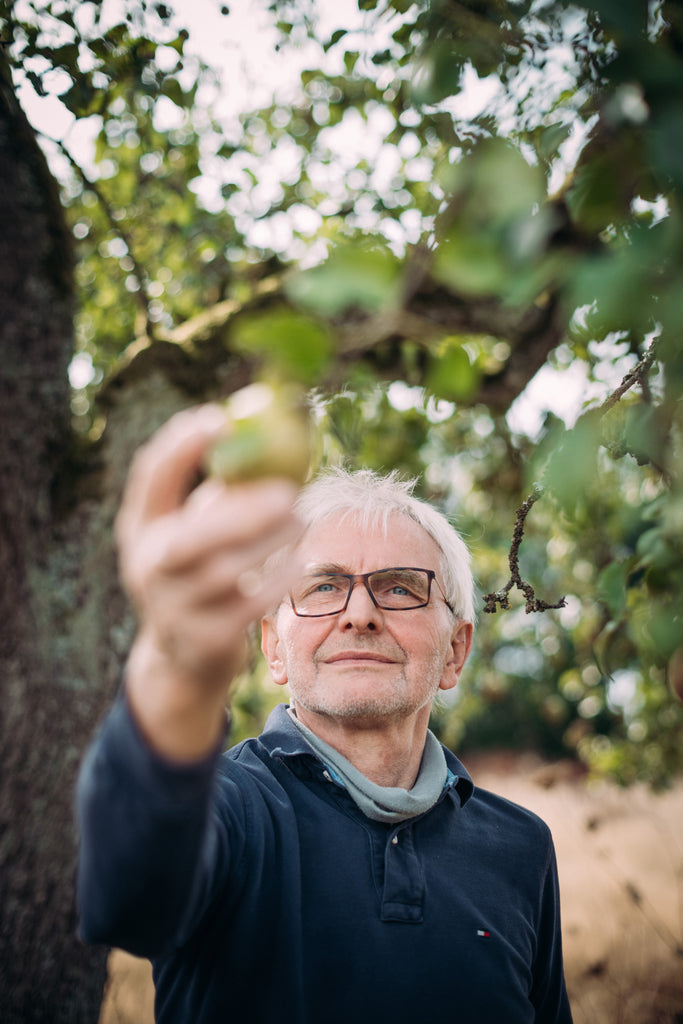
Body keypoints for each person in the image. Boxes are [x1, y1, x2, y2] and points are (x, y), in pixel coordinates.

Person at [76, 403, 573, 1024]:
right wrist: (176, 669)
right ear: (273, 647)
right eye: (322, 586)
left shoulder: (521, 846)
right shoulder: (224, 809)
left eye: (399, 586)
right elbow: (126, 904)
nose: (359, 614)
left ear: (455, 651)